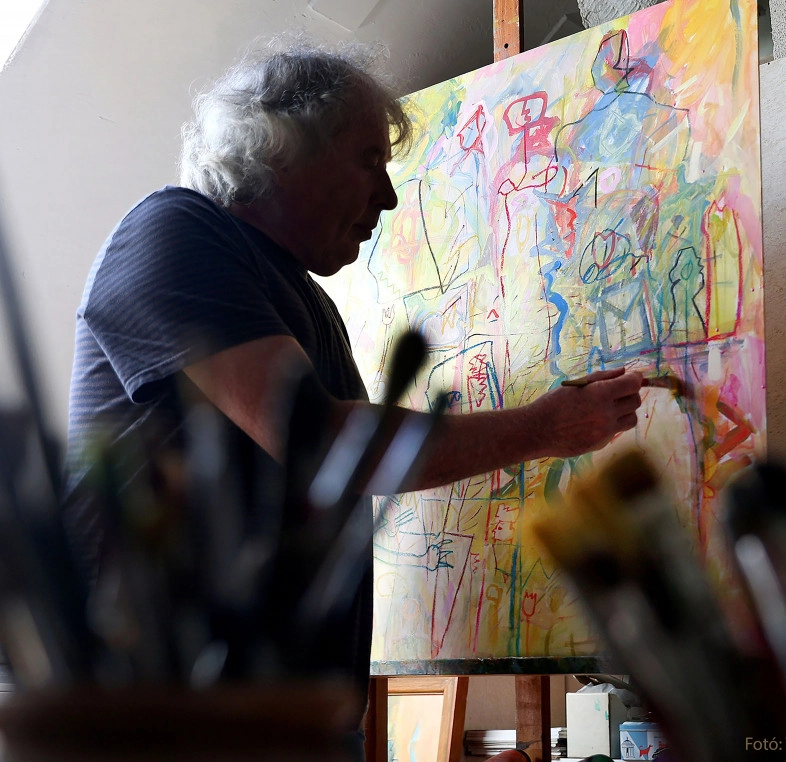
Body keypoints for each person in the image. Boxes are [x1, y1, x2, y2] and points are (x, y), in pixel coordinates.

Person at [63, 37, 643, 757]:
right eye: (369, 160)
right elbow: (324, 444)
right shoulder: (174, 232)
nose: (389, 196)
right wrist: (542, 428)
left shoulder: (304, 301)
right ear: (278, 146)